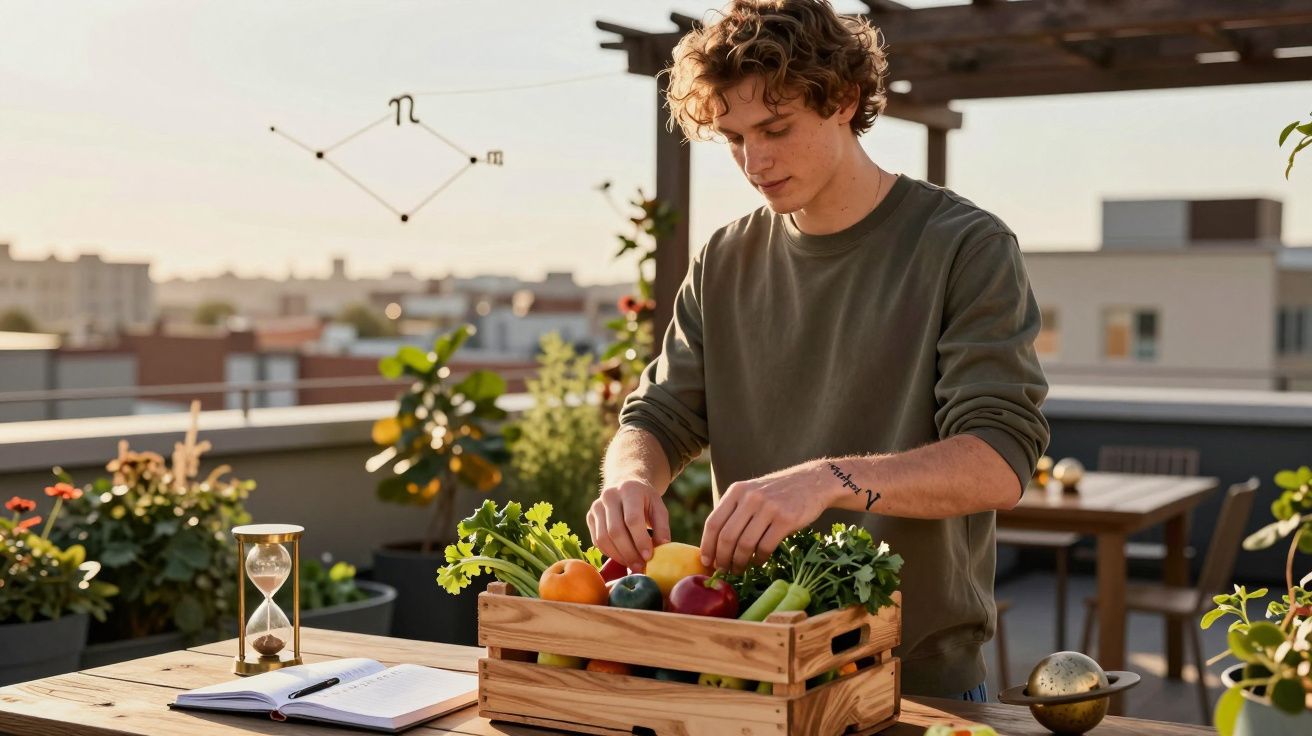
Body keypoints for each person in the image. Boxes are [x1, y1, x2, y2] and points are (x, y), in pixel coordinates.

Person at [587, 0, 1050, 702]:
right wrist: (629, 480)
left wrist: (826, 480)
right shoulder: (723, 260)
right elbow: (657, 416)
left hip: (914, 683)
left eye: (776, 129)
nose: (755, 162)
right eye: (734, 138)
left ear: (845, 100)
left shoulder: (965, 246)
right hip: (751, 665)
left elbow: (999, 460)